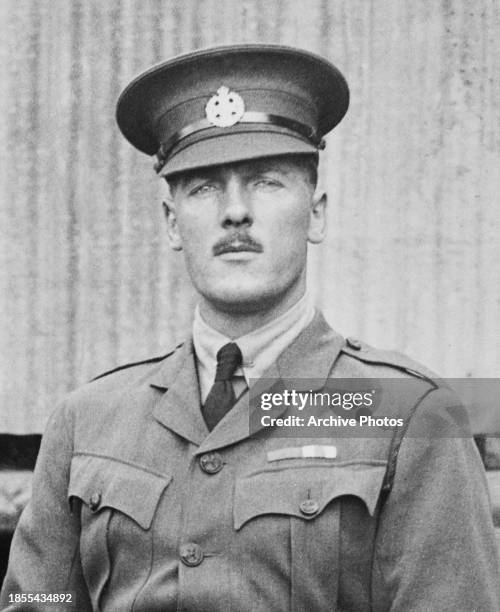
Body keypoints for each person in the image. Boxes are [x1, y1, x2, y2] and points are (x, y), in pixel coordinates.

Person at [1, 43, 498, 612]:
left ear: (316, 212)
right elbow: (37, 599)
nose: (234, 212)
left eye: (265, 181)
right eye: (204, 186)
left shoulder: (410, 413)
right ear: (171, 221)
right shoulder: (88, 419)